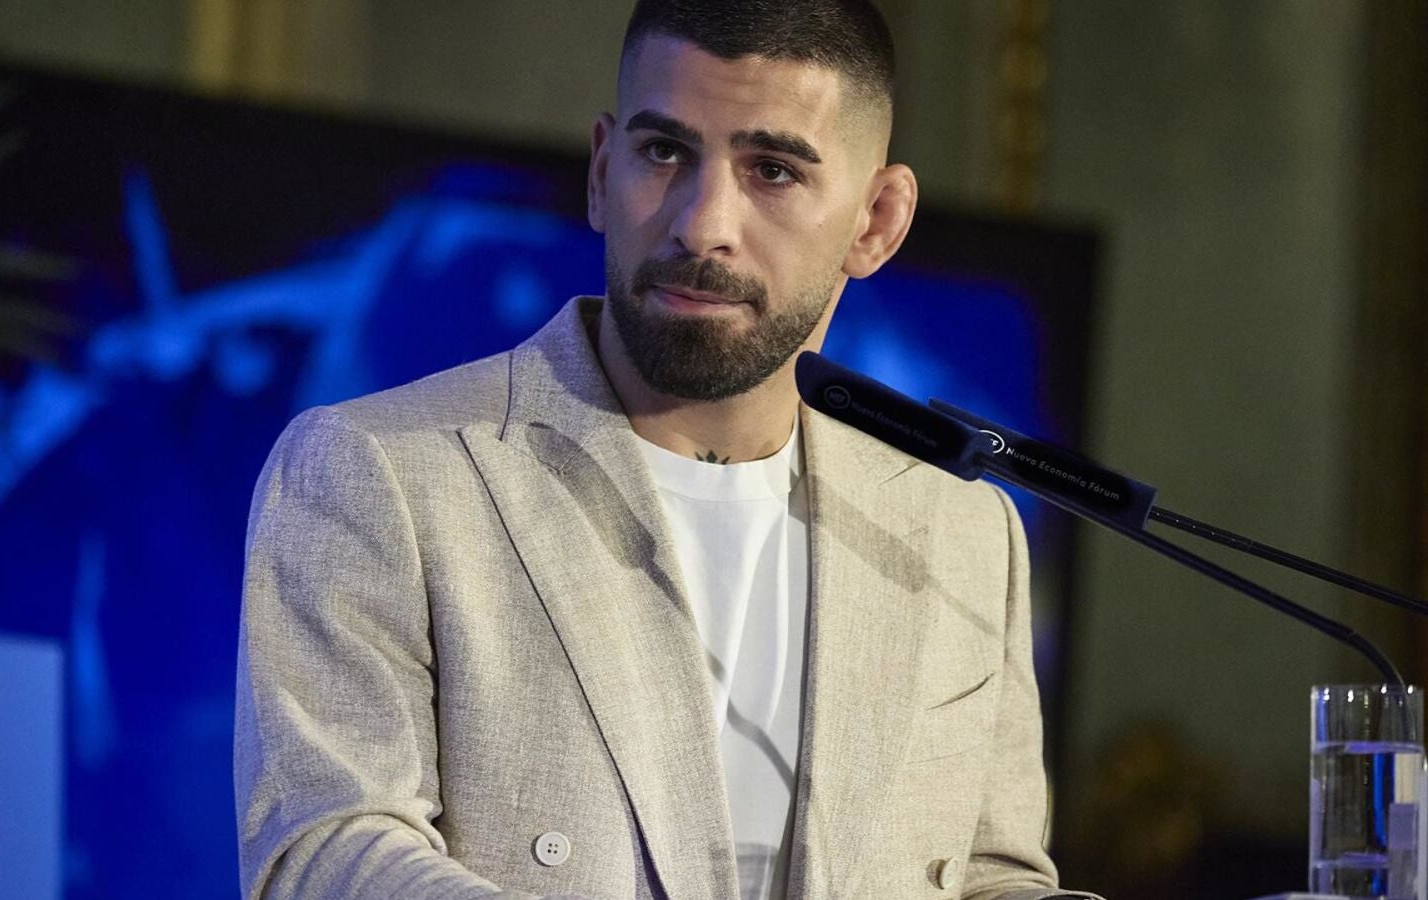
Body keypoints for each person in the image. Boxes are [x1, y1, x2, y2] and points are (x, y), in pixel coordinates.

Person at [235, 2, 1103, 898]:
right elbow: (329, 853)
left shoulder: (963, 531)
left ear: (876, 220)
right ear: (602, 170)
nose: (702, 223)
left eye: (773, 171)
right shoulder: (379, 471)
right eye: (664, 153)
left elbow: (993, 876)